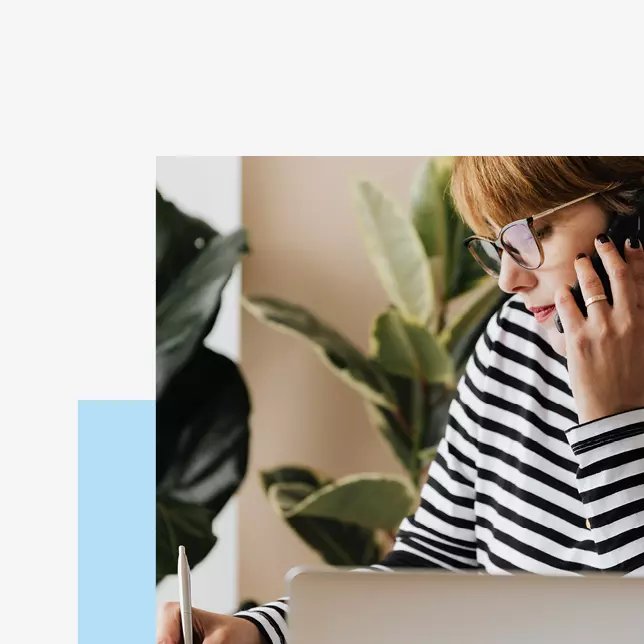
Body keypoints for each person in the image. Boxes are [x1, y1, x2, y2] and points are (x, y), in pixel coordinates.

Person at [157, 156, 644, 644]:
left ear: (631, 215)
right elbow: (433, 562)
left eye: (535, 233)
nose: (508, 279)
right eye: (498, 244)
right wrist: (260, 633)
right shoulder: (514, 339)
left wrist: (613, 425)